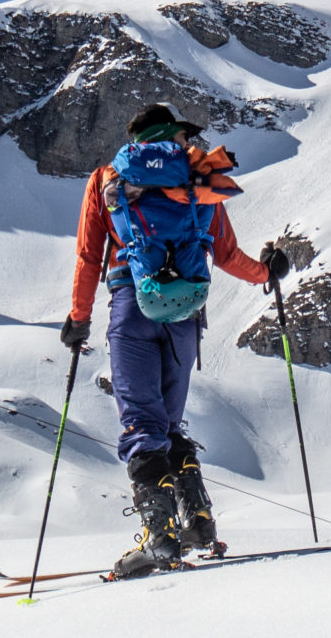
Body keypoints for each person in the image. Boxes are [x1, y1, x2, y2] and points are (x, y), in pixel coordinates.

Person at [61, 104, 288, 578]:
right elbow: (225, 254)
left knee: (142, 425)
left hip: (131, 304)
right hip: (186, 313)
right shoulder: (200, 178)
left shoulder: (108, 178)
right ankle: (199, 523)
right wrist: (268, 271)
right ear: (176, 135)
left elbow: (88, 256)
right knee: (169, 421)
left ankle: (159, 538)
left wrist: (77, 319)